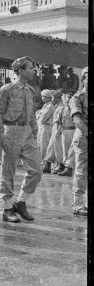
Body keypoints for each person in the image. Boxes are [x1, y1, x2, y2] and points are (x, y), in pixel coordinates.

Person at [0, 56, 43, 223]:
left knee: (36, 170)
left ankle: (20, 201)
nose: (33, 70)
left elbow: (32, 116)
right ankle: (7, 208)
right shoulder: (7, 90)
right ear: (20, 71)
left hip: (27, 133)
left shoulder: (30, 91)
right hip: (11, 130)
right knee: (8, 171)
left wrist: (34, 133)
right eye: (30, 68)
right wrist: (1, 136)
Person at [69, 67, 88, 216]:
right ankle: (78, 204)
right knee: (81, 171)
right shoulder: (77, 97)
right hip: (83, 136)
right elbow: (77, 120)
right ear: (83, 80)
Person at [52, 91, 75, 177]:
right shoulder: (63, 109)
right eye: (67, 98)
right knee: (65, 150)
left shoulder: (75, 108)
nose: (68, 100)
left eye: (70, 97)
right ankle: (66, 167)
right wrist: (58, 131)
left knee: (72, 150)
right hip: (65, 131)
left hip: (74, 130)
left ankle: (70, 168)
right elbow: (59, 121)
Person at [36, 89, 56, 173]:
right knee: (40, 145)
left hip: (46, 128)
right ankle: (42, 163)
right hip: (42, 127)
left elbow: (42, 118)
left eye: (43, 97)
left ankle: (46, 164)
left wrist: (39, 116)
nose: (42, 98)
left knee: (45, 146)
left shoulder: (50, 106)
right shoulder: (45, 105)